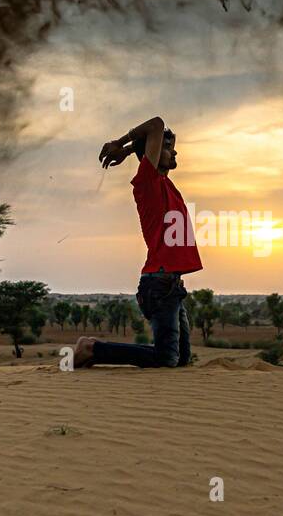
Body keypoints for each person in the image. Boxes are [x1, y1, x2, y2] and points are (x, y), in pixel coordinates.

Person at [73, 116, 201, 368]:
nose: (174, 151)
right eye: (166, 148)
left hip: (172, 286)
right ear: (151, 155)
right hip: (159, 285)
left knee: (180, 359)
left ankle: (94, 348)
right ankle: (92, 349)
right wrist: (119, 144)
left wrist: (130, 150)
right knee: (166, 359)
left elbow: (157, 137)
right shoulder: (148, 183)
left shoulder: (165, 183)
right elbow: (156, 124)